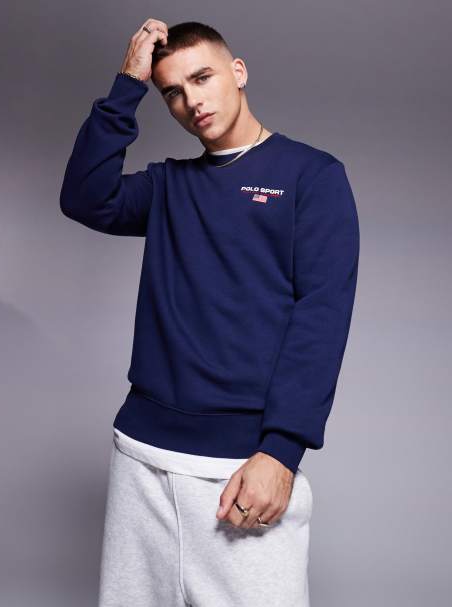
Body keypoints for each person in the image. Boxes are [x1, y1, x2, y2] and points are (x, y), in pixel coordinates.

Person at [59, 19, 360, 607]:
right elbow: (85, 197)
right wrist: (127, 85)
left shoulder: (312, 176)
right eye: (172, 91)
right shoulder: (169, 186)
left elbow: (322, 317)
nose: (191, 101)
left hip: (242, 464)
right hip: (141, 456)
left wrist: (281, 452)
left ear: (238, 72)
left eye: (202, 78)